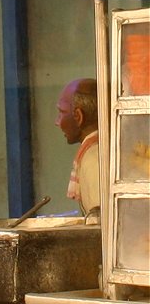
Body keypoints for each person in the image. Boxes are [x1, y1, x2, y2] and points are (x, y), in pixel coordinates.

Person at [55, 78, 100, 217]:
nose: (57, 122)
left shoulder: (94, 158)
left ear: (79, 117)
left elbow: (99, 222)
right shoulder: (99, 151)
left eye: (62, 113)